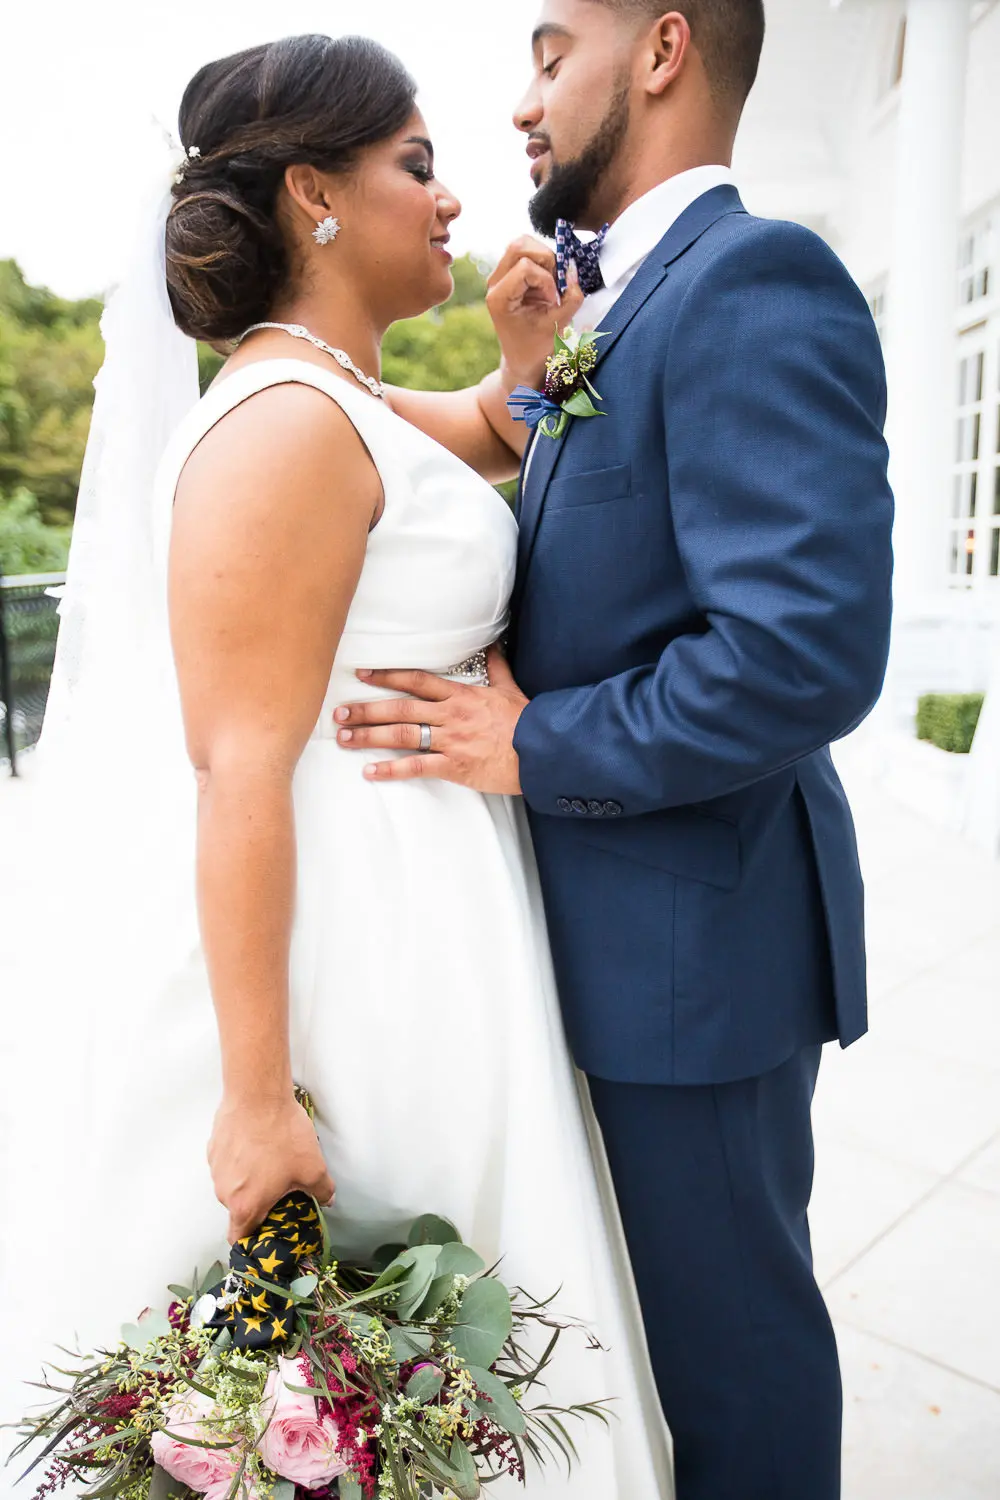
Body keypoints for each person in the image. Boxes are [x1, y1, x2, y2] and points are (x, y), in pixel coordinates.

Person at [0, 32, 673, 1499]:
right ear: (312, 195)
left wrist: (524, 354)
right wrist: (255, 1102)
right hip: (351, 967)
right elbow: (237, 768)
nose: (449, 201)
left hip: (430, 933)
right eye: (416, 167)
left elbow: (499, 432)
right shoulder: (285, 425)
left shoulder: (336, 399)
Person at [334, 3, 895, 1498]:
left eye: (547, 52)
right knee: (651, 1357)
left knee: (734, 1371)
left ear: (658, 52)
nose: (523, 102)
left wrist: (534, 742)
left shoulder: (754, 282)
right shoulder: (616, 308)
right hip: (610, 941)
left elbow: (800, 654)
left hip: (694, 964)